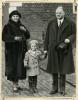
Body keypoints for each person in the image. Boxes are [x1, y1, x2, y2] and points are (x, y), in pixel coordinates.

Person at [44, 6, 76, 96]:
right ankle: (54, 88)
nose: (58, 14)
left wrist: (69, 39)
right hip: (53, 49)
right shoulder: (51, 22)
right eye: (57, 13)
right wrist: (45, 49)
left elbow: (74, 33)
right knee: (54, 69)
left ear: (64, 13)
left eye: (60, 13)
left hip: (64, 49)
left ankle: (62, 89)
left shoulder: (70, 22)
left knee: (63, 69)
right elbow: (47, 36)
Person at [2, 10, 30, 92]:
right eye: (14, 16)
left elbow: (28, 36)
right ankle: (14, 86)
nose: (15, 18)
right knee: (13, 67)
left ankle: (17, 85)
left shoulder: (21, 25)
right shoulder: (7, 26)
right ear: (11, 17)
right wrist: (14, 38)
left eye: (17, 16)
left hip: (21, 50)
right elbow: (3, 37)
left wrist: (25, 30)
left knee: (19, 68)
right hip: (12, 51)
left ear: (19, 17)